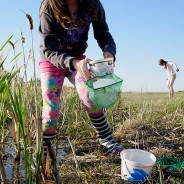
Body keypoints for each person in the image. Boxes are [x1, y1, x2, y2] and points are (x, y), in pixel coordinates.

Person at [38, 0, 123, 157]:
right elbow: (48, 49)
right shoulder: (48, 7)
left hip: (78, 59)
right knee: (50, 109)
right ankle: (45, 151)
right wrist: (74, 63)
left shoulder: (93, 5)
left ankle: (106, 141)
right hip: (52, 60)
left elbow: (103, 35)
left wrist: (109, 51)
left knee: (90, 95)